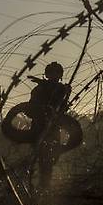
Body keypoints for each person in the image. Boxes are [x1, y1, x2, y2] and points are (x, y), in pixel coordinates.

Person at [27, 61, 72, 189]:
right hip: (40, 128)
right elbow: (30, 110)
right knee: (41, 160)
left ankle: (44, 187)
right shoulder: (39, 89)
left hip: (53, 129)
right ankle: (40, 187)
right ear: (47, 74)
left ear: (60, 75)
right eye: (51, 73)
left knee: (51, 159)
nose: (54, 75)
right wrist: (45, 112)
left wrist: (67, 95)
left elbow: (63, 109)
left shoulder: (62, 89)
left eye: (57, 73)